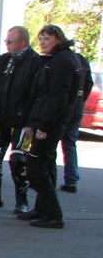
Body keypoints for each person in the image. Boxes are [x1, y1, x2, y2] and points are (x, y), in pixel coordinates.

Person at [0, 26, 41, 214]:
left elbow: (39, 95)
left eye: (10, 41)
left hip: (22, 122)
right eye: (6, 41)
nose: (7, 44)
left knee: (18, 160)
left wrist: (33, 122)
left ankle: (22, 201)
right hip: (0, 119)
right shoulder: (3, 60)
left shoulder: (35, 62)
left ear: (23, 42)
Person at [20, 24, 82, 228]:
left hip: (52, 122)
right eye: (41, 39)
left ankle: (53, 214)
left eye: (46, 38)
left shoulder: (62, 61)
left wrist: (44, 126)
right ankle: (43, 209)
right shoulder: (57, 59)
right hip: (48, 119)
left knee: (36, 166)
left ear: (58, 39)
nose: (42, 43)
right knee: (45, 164)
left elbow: (58, 97)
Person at [59, 50, 93, 193]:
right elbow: (89, 83)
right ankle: (71, 180)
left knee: (49, 142)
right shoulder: (81, 59)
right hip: (77, 105)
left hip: (63, 105)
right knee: (70, 143)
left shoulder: (60, 59)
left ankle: (46, 177)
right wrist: (81, 100)